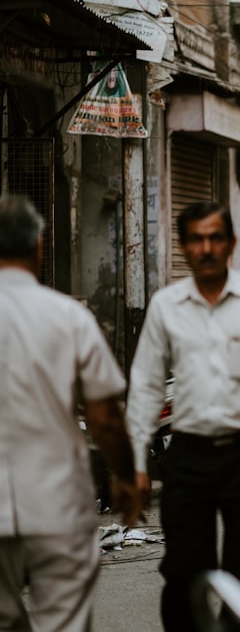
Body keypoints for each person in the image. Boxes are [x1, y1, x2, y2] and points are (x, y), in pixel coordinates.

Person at [127, 202, 240, 632]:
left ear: (230, 244)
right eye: (196, 239)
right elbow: (147, 386)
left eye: (215, 238)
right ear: (184, 246)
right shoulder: (166, 305)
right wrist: (135, 463)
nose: (206, 248)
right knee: (184, 573)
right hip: (188, 457)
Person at [0, 195, 142, 632]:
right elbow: (103, 416)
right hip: (56, 502)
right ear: (38, 247)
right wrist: (125, 476)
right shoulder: (68, 317)